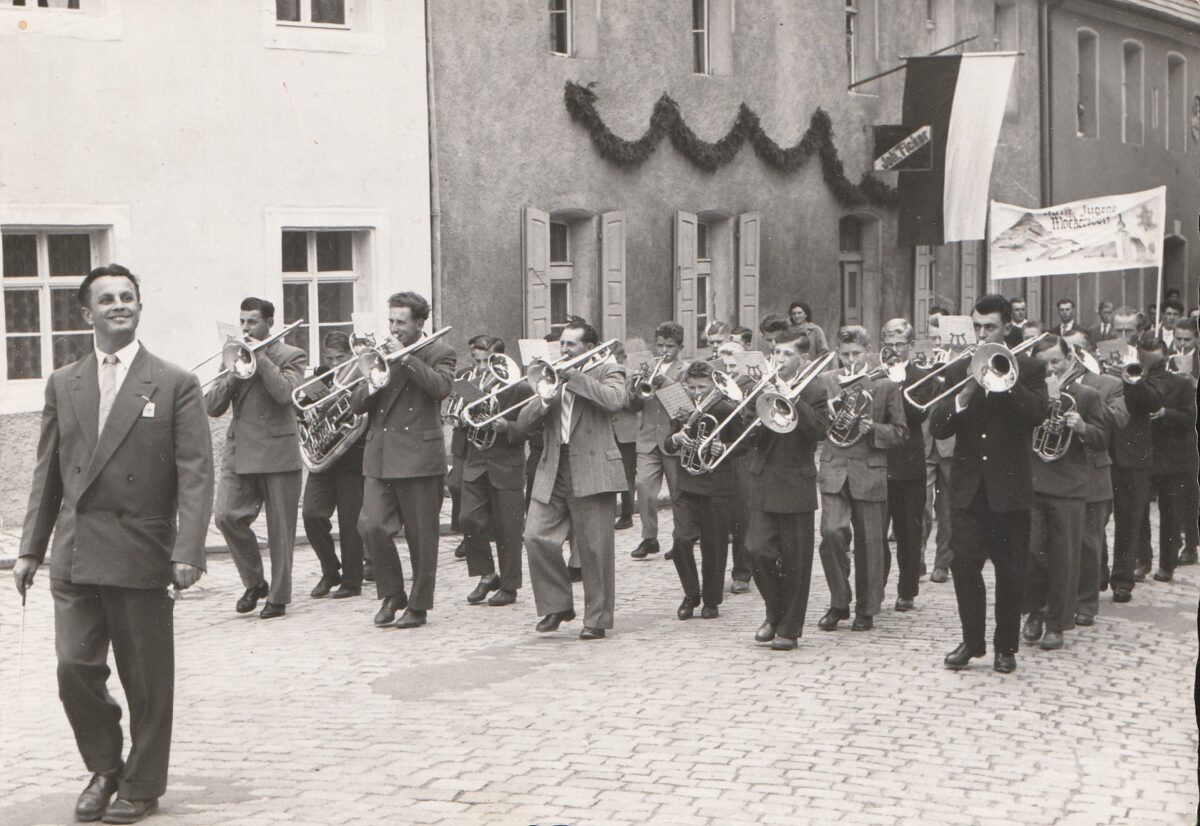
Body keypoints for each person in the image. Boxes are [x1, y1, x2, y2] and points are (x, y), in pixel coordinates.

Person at [15, 264, 214, 824]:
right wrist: (31, 548)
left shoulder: (174, 382)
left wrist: (188, 550)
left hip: (141, 549)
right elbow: (47, 471)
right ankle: (104, 766)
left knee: (146, 678)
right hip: (75, 550)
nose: (119, 305)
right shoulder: (64, 381)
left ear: (139, 308)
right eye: (107, 299)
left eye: (128, 297)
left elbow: (196, 472)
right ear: (87, 314)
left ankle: (142, 784)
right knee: (72, 667)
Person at [932, 294, 1049, 674]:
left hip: (1009, 490)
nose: (982, 334)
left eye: (990, 328)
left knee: (1010, 571)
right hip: (967, 490)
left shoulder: (1029, 368)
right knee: (964, 567)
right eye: (977, 327)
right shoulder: (958, 370)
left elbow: (1036, 415)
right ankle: (972, 641)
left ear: (1006, 328)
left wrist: (1005, 378)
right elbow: (938, 426)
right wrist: (966, 391)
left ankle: (1005, 648)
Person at [352, 291, 456, 630]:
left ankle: (418, 605)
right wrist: (369, 377)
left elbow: (440, 388)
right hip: (380, 455)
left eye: (401, 322)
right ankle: (392, 592)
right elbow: (357, 405)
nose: (393, 329)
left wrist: (406, 359)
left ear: (420, 323)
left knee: (422, 538)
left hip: (418, 457)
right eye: (391, 321)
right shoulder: (379, 353)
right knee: (371, 525)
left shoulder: (441, 352)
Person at [519, 320, 628, 639]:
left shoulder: (609, 370)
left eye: (570, 345)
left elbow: (614, 401)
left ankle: (596, 620)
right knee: (535, 536)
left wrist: (575, 378)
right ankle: (556, 606)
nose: (562, 350)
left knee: (595, 550)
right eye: (562, 344)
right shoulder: (549, 376)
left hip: (593, 468)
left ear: (589, 349)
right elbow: (524, 422)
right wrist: (544, 398)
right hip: (553, 466)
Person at [208, 297, 307, 619]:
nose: (246, 328)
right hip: (240, 451)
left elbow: (284, 395)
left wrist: (260, 358)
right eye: (243, 322)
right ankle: (254, 581)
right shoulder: (233, 354)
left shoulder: (291, 355)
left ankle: (278, 596)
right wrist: (236, 370)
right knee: (225, 516)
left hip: (278, 452)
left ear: (269, 323)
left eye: (252, 322)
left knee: (280, 531)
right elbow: (212, 406)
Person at [816, 326, 908, 632]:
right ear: (838, 354)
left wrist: (874, 429)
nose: (851, 360)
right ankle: (839, 602)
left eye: (857, 354)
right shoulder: (827, 381)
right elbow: (816, 427)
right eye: (845, 355)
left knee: (870, 543)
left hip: (869, 470)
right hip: (833, 469)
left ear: (867, 352)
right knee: (831, 534)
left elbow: (900, 433)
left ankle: (866, 608)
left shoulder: (884, 385)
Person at [1021, 336, 1109, 651]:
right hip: (1033, 483)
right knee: (1030, 552)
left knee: (1063, 557)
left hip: (1069, 488)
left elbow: (1103, 439)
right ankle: (1033, 611)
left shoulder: (1086, 396)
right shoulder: (1030, 394)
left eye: (1055, 361)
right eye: (1043, 364)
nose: (1050, 369)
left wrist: (1082, 426)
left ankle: (1056, 623)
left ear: (1069, 359)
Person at [747, 329, 829, 650]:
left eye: (787, 355)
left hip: (796, 482)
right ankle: (774, 611)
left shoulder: (815, 388)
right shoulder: (762, 386)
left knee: (796, 561)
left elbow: (819, 431)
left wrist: (792, 398)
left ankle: (788, 628)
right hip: (764, 479)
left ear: (803, 359)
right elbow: (745, 433)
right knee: (756, 550)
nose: (780, 360)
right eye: (776, 353)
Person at [661, 360, 742, 619]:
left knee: (715, 545)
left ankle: (711, 600)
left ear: (713, 385)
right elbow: (668, 442)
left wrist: (724, 448)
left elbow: (744, 443)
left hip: (718, 485)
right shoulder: (683, 409)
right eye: (692, 386)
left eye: (702, 387)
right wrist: (675, 439)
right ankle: (691, 594)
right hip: (688, 484)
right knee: (681, 540)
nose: (697, 392)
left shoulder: (727, 408)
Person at [1061, 330, 1128, 627]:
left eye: (1078, 350)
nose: (1071, 357)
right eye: (1068, 351)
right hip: (1059, 470)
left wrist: (1086, 406)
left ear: (1090, 351)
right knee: (1059, 541)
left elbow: (1118, 421)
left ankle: (1086, 603)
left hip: (1092, 470)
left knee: (1089, 542)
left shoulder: (1110, 384)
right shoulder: (1051, 383)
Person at [459, 337, 532, 606]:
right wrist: (462, 415)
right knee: (468, 519)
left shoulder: (521, 388)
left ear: (500, 360)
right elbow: (465, 423)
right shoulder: (471, 384)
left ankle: (510, 585)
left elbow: (534, 428)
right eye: (476, 361)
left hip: (506, 465)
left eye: (485, 362)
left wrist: (509, 428)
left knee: (508, 529)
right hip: (476, 463)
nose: (480, 369)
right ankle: (488, 574)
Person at [301, 332, 370, 600]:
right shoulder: (323, 375)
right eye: (329, 358)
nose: (333, 364)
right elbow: (300, 404)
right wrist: (309, 406)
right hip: (324, 457)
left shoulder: (364, 377)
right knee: (311, 514)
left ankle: (352, 582)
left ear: (352, 356)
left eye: (339, 358)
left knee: (350, 522)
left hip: (353, 457)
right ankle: (330, 569)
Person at [1106, 308, 1165, 603]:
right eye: (1117, 330)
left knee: (1129, 518)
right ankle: (1095, 575)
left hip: (1134, 450)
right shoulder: (1100, 355)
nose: (1122, 336)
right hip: (1103, 447)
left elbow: (1154, 402)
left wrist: (1133, 379)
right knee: (1097, 516)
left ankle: (1122, 579)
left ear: (1139, 332)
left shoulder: (1151, 360)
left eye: (1128, 331)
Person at [879, 319, 930, 612]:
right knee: (876, 532)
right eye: (889, 344)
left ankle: (907, 590)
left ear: (910, 345)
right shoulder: (874, 374)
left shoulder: (923, 376)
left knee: (909, 531)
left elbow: (917, 415)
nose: (895, 350)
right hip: (879, 460)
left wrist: (898, 384)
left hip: (909, 463)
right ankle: (877, 587)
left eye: (900, 344)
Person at [1137, 337, 1197, 583]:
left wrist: (1164, 413)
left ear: (1164, 356)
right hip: (1144, 455)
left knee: (1170, 513)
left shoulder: (1181, 384)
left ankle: (1167, 564)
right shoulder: (1136, 382)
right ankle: (1142, 560)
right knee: (1140, 511)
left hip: (1173, 460)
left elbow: (1189, 418)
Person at [628, 322, 688, 560]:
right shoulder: (646, 368)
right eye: (660, 345)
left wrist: (664, 381)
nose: (664, 350)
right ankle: (649, 537)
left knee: (678, 494)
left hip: (673, 438)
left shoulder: (685, 369)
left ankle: (680, 538)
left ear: (680, 347)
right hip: (647, 438)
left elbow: (684, 407)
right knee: (643, 487)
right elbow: (633, 406)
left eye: (670, 346)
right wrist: (634, 388)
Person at [610, 341, 639, 530]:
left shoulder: (631, 375)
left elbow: (633, 405)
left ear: (622, 357)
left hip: (627, 433)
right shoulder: (605, 374)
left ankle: (627, 515)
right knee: (612, 475)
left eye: (616, 357)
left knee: (628, 475)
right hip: (609, 430)